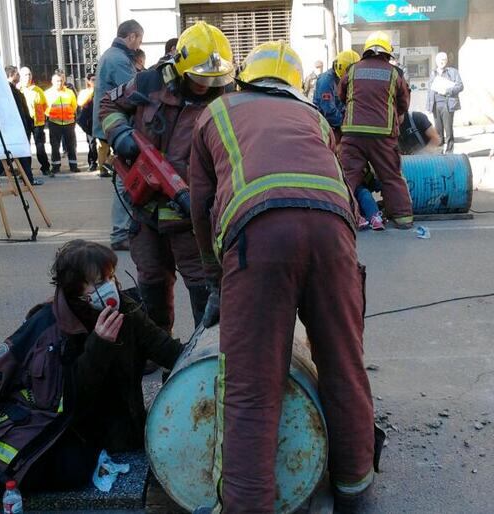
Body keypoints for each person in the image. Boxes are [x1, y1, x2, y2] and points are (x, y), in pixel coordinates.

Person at [189, 40, 378, 513]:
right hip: (334, 235)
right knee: (344, 364)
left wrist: (215, 280)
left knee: (251, 387)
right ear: (295, 87)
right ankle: (356, 489)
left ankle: (249, 504)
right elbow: (341, 185)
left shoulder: (215, 113)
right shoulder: (313, 116)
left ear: (245, 78)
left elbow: (200, 205)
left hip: (260, 236)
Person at [0, 239, 183, 502]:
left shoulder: (126, 310)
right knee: (68, 469)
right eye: (98, 283)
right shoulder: (51, 330)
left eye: (111, 276)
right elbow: (69, 398)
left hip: (118, 425)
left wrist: (206, 353)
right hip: (66, 426)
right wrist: (99, 346)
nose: (110, 288)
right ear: (76, 289)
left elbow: (165, 348)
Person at [99, 21, 235, 332]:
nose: (205, 85)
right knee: (151, 278)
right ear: (181, 65)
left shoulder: (227, 94)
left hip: (192, 215)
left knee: (204, 284)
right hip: (144, 208)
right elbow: (108, 104)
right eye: (198, 77)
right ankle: (159, 351)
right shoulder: (148, 83)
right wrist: (119, 133)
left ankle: (205, 354)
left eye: (212, 78)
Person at [339, 31, 414, 229]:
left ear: (366, 51)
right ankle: (403, 218)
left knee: (347, 177)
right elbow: (404, 103)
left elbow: (341, 94)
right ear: (387, 53)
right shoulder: (395, 73)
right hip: (383, 135)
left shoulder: (353, 69)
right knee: (390, 175)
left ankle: (338, 215)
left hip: (353, 134)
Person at [93, 19, 144, 250]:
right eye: (139, 40)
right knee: (125, 181)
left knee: (125, 178)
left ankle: (124, 230)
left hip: (113, 125)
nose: (138, 46)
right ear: (132, 36)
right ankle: (120, 233)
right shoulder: (118, 59)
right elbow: (134, 91)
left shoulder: (112, 55)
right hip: (118, 126)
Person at [0, 66, 43, 185]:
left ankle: (28, 178)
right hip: (17, 127)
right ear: (11, 75)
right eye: (17, 74)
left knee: (18, 153)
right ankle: (28, 179)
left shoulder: (14, 89)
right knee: (21, 153)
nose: (19, 76)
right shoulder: (8, 89)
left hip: (21, 126)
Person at [314, 49, 360, 145]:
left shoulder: (342, 80)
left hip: (338, 125)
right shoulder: (326, 82)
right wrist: (347, 123)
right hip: (327, 127)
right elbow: (328, 111)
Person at [426, 52, 463, 154]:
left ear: (446, 61)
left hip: (447, 104)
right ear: (436, 61)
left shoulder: (453, 72)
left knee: (449, 130)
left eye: (444, 60)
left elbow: (460, 86)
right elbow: (430, 91)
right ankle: (439, 152)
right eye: (440, 60)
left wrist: (447, 91)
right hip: (436, 105)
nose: (442, 62)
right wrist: (429, 106)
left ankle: (449, 152)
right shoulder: (433, 73)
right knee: (438, 131)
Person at [44, 72, 80, 174]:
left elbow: (74, 105)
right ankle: (55, 166)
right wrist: (51, 115)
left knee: (71, 145)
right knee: (55, 146)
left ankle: (73, 165)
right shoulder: (47, 93)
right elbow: (44, 107)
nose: (59, 83)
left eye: (60, 81)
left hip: (69, 122)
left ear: (63, 81)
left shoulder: (69, 92)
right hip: (54, 123)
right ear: (52, 82)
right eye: (57, 81)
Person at [19, 67, 51, 177]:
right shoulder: (18, 90)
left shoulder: (38, 90)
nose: (28, 77)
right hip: (24, 121)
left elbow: (45, 105)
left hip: (37, 122)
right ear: (20, 76)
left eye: (29, 75)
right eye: (25, 75)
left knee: (40, 146)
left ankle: (45, 167)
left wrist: (44, 117)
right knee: (25, 148)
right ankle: (26, 171)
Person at [77, 72, 98, 171]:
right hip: (89, 122)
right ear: (88, 81)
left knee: (104, 144)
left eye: (96, 79)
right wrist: (91, 93)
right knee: (92, 143)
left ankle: (105, 163)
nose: (95, 81)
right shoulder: (85, 92)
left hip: (100, 120)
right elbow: (80, 102)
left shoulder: (101, 91)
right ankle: (92, 162)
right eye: (93, 80)